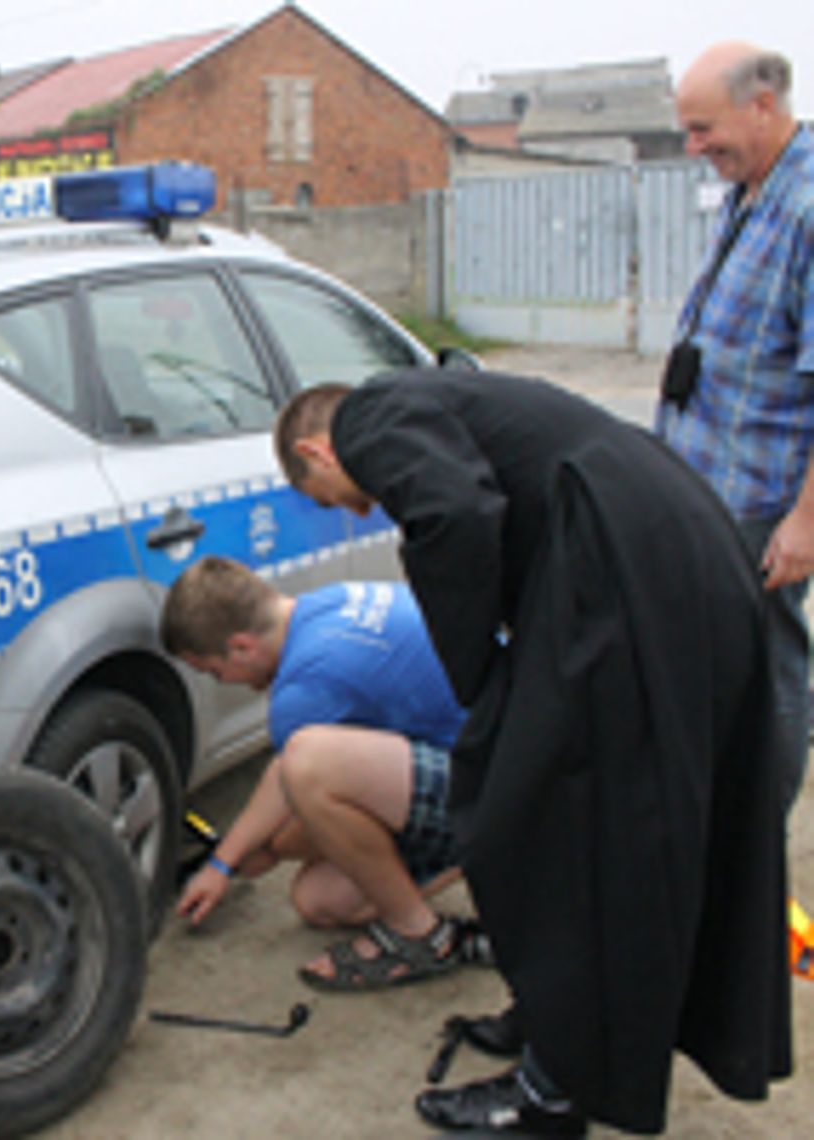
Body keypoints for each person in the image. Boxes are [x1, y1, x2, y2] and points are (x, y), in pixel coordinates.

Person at [275, 373, 791, 1135]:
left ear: (317, 450)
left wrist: (483, 678)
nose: (360, 510)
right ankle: (558, 1023)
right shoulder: (446, 403)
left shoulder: (371, 415)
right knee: (596, 827)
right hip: (665, 561)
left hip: (633, 578)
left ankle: (554, 1091)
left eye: (331, 497)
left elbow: (455, 510)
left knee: (556, 828)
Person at [160, 555, 486, 990]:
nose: (226, 683)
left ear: (241, 647)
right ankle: (480, 851)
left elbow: (295, 780)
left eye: (216, 673)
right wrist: (225, 862)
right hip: (507, 751)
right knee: (320, 900)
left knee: (306, 776)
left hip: (504, 776)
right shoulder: (327, 605)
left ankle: (419, 934)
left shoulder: (305, 684)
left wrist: (257, 854)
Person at [655, 43, 814, 813]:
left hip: (762, 505)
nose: (694, 148)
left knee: (766, 671)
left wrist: (807, 520)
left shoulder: (808, 207)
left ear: (763, 106)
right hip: (709, 487)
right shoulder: (753, 191)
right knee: (714, 667)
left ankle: (757, 841)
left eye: (703, 128)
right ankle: (718, 819)